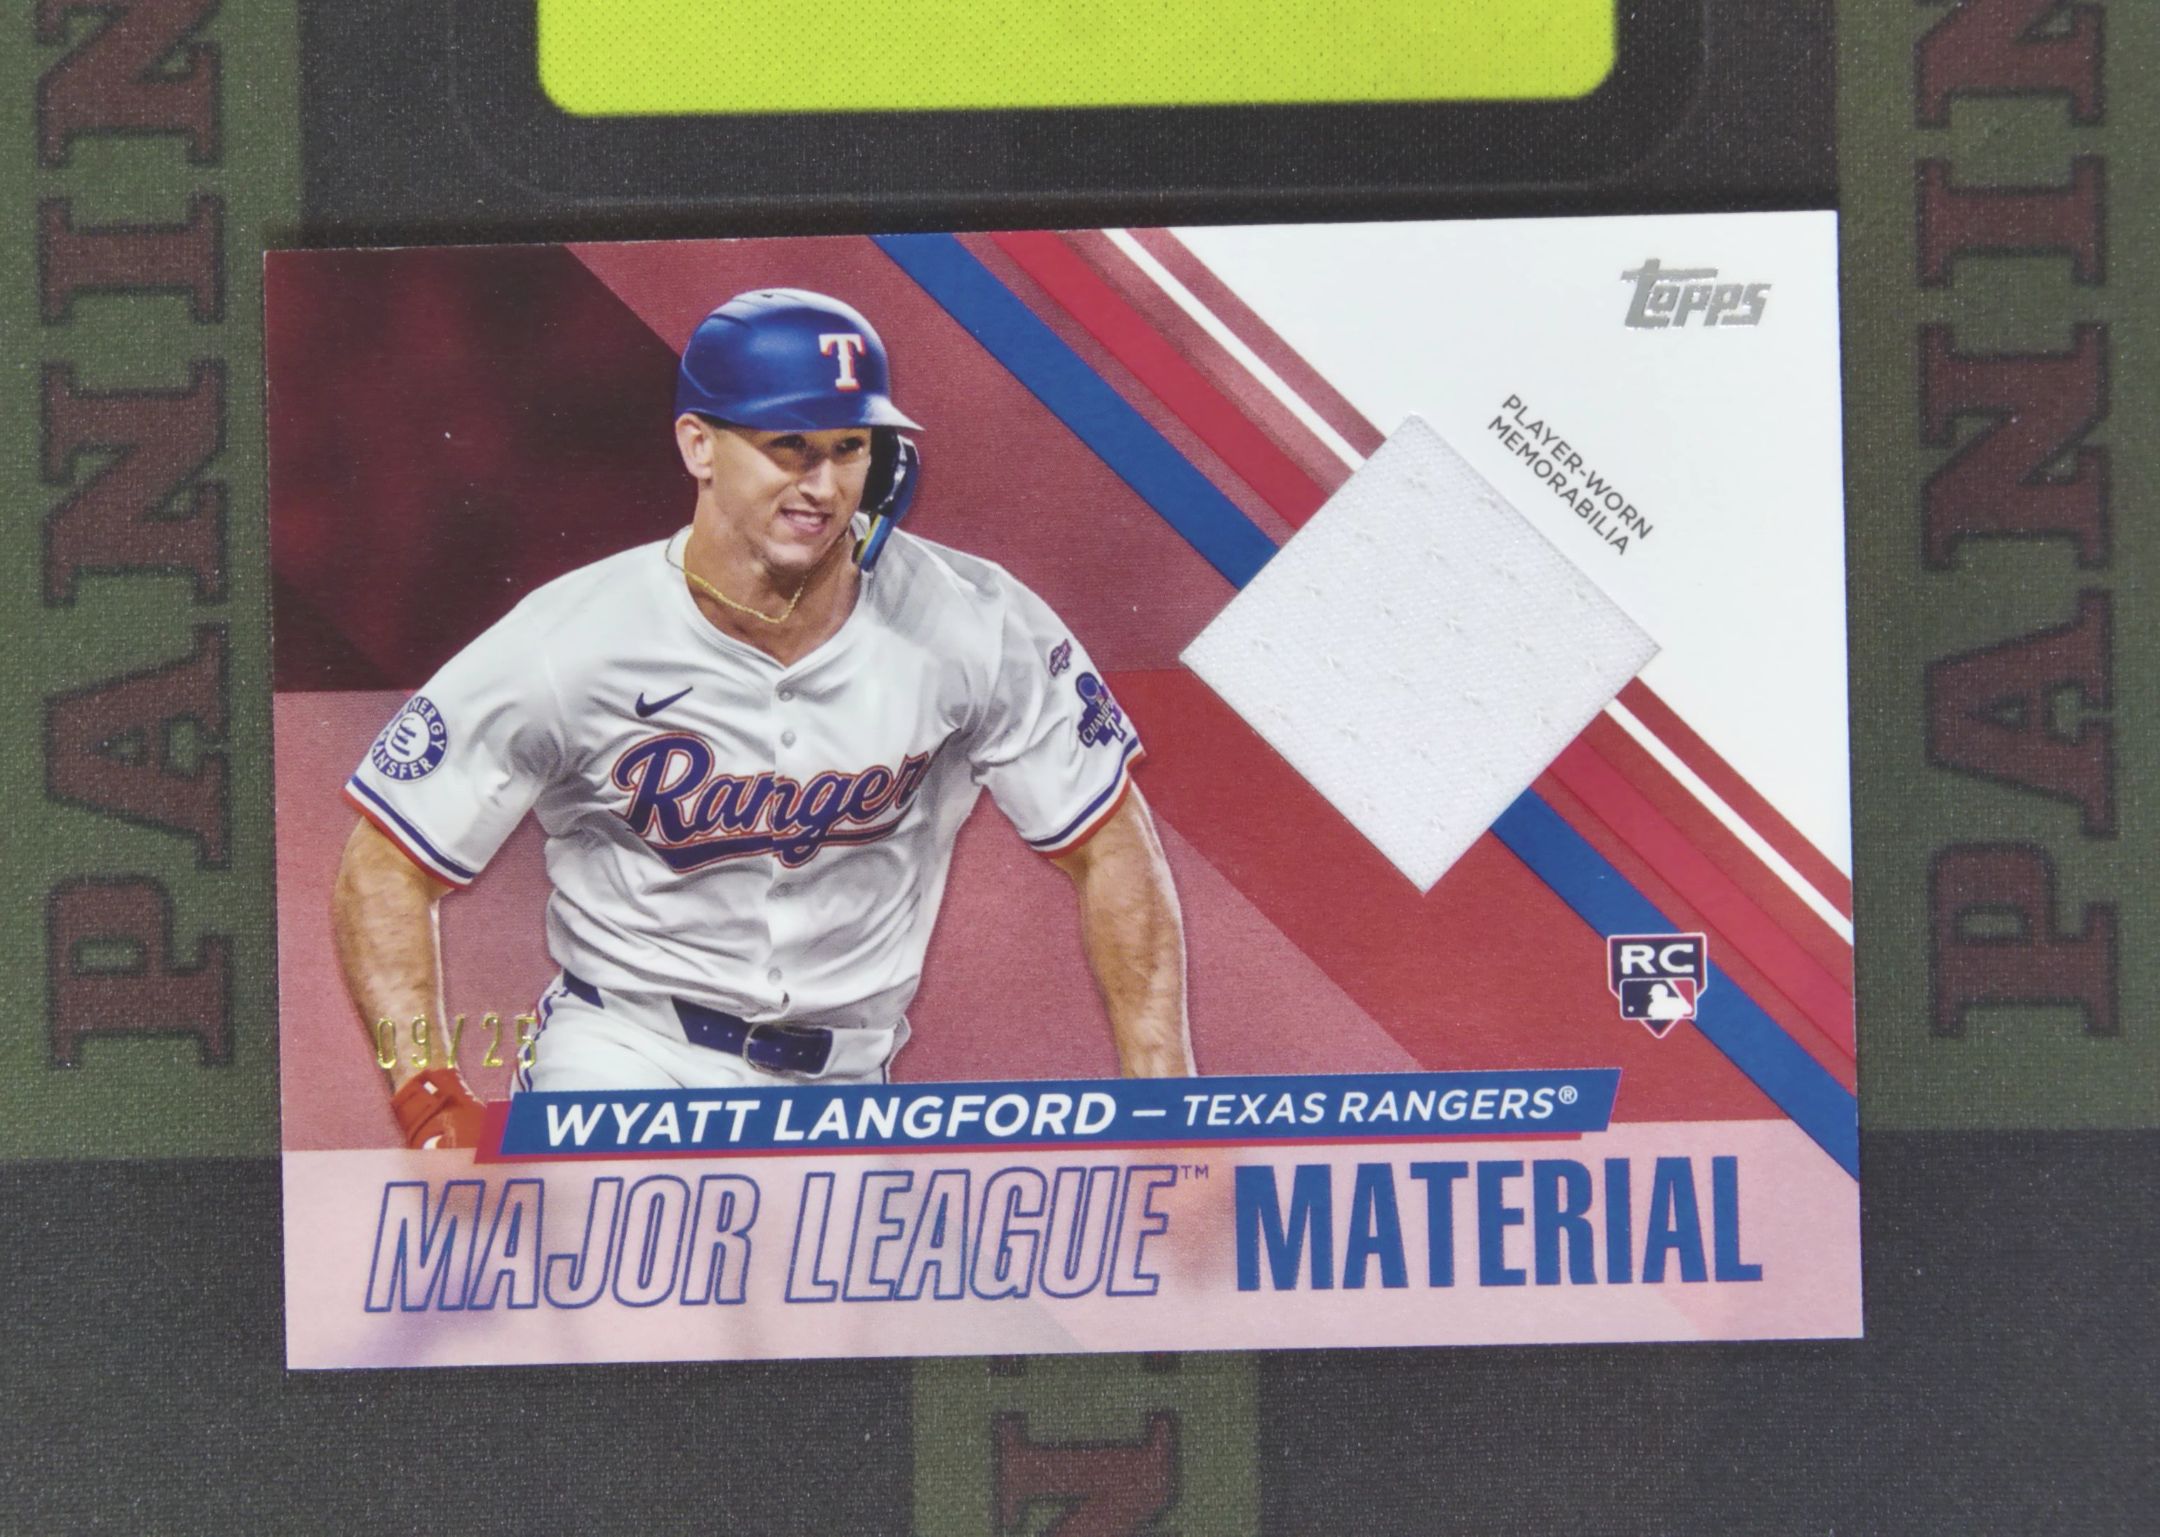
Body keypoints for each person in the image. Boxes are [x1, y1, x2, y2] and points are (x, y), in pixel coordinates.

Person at [330, 288, 1193, 1148]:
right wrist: (426, 1095)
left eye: (849, 447)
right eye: (789, 446)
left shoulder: (972, 620)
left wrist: (1169, 1108)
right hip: (626, 1050)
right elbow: (386, 859)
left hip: (847, 1081)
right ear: (698, 445)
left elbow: (1112, 844)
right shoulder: (575, 637)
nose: (823, 484)